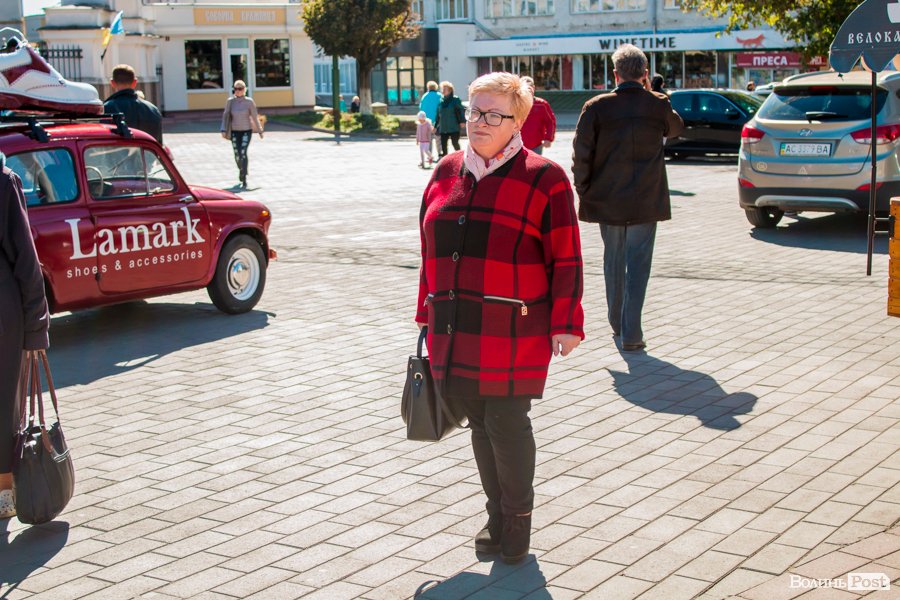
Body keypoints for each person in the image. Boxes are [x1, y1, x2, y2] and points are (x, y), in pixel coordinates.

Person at [415, 72, 584, 565]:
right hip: (455, 321)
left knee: (506, 422)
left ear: (518, 122)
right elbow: (427, 249)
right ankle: (495, 514)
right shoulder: (446, 170)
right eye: (474, 112)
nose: (479, 122)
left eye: (494, 114)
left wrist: (567, 321)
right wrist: (425, 309)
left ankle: (516, 521)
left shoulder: (545, 177)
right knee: (479, 424)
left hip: (515, 328)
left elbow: (566, 257)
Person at [572, 44, 683, 352]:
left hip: (607, 199)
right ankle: (631, 331)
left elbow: (581, 154)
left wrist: (583, 189)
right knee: (638, 266)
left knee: (613, 261)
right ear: (645, 74)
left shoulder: (596, 106)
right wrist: (653, 93)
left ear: (615, 74)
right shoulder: (657, 104)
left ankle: (617, 323)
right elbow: (676, 128)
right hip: (646, 199)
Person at [0, 151, 50, 520]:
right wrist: (36, 329)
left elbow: (26, 263)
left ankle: (4, 491)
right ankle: (4, 494)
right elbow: (26, 261)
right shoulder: (5, 181)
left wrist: (35, 328)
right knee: (4, 402)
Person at [103, 64, 163, 144]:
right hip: (145, 151)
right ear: (135, 82)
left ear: (112, 83)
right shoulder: (153, 109)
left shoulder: (106, 109)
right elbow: (158, 144)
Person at [220, 80, 264, 189]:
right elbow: (225, 116)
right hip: (235, 131)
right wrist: (223, 129)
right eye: (235, 89)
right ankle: (241, 169)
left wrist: (260, 130)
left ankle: (244, 176)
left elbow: (254, 116)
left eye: (240, 89)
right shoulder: (230, 101)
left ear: (244, 89)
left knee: (243, 152)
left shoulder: (249, 102)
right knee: (237, 154)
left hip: (246, 131)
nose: (237, 91)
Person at [519, 76, 556, 155]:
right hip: (517, 145)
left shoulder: (542, 104)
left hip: (536, 145)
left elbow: (550, 122)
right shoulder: (515, 104)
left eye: (529, 87)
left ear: (533, 88)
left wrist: (548, 138)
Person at [434, 81, 465, 159]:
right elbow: (438, 114)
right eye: (442, 89)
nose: (443, 90)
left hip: (454, 126)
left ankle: (460, 158)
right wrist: (435, 126)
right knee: (443, 145)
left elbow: (461, 110)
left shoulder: (455, 99)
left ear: (450, 90)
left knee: (455, 143)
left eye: (445, 89)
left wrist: (462, 121)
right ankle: (445, 160)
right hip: (443, 127)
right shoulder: (440, 100)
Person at [419, 81, 441, 157]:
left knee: (428, 139)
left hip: (427, 121)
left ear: (428, 87)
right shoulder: (439, 96)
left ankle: (430, 155)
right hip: (437, 121)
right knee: (438, 139)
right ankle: (440, 154)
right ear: (436, 87)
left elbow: (421, 108)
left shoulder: (424, 96)